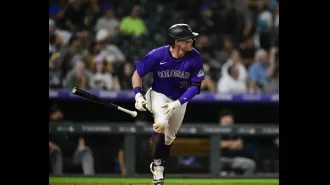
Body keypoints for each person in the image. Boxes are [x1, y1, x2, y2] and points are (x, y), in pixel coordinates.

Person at [132, 24, 204, 185]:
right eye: (188, 39)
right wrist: (138, 95)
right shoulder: (158, 54)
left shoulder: (195, 56)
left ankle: (158, 162)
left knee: (169, 138)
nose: (192, 41)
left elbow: (196, 87)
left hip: (180, 99)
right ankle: (158, 169)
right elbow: (137, 74)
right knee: (161, 124)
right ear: (178, 42)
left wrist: (178, 103)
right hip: (159, 94)